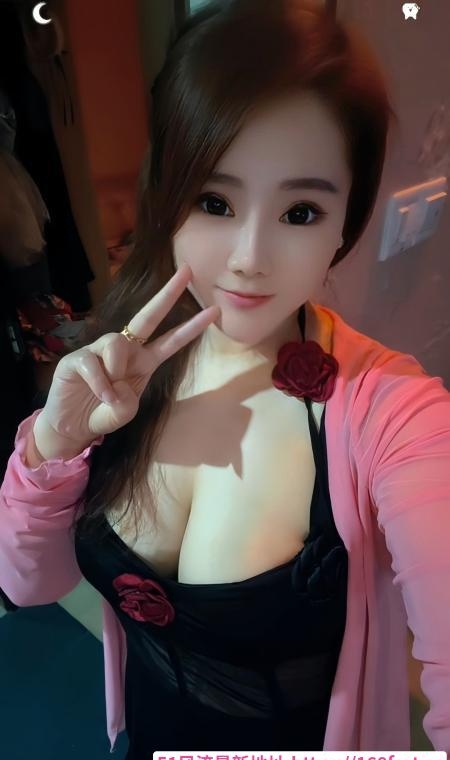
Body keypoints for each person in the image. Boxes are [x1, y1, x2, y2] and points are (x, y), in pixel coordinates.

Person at [1, 0, 449, 756]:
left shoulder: (395, 414)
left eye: (300, 212)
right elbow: (27, 584)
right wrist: (53, 444)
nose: (248, 258)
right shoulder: (124, 359)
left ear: (346, 222)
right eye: (214, 201)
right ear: (167, 196)